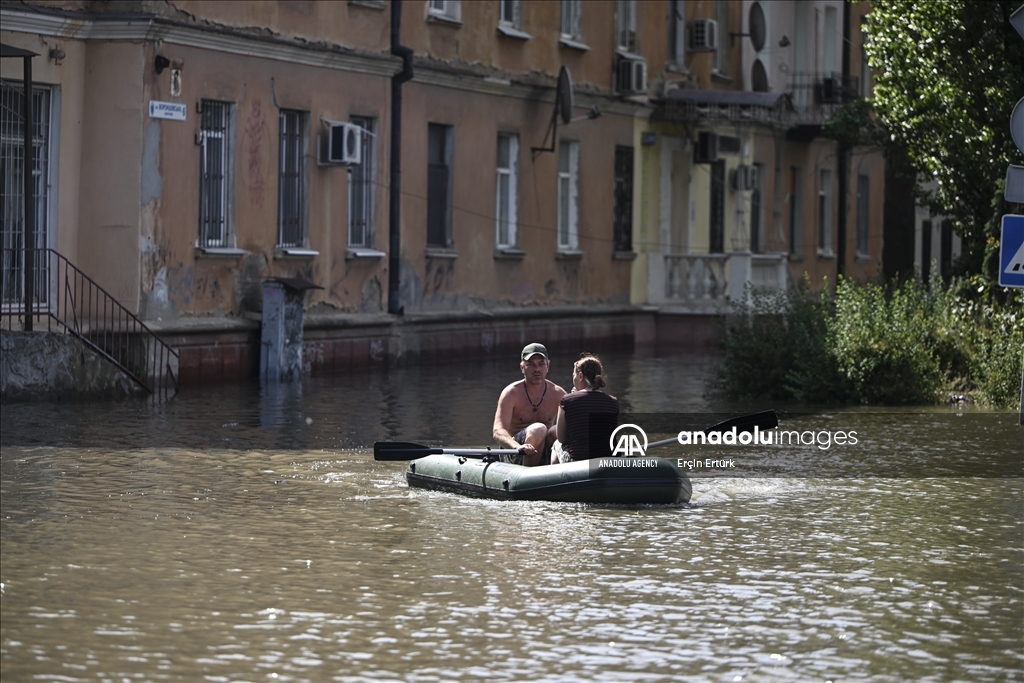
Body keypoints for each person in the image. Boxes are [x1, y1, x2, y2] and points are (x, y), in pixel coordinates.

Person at [492, 343, 567, 466]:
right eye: (531, 364)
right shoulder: (511, 393)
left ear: (548, 366)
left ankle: (560, 472)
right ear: (522, 367)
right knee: (538, 429)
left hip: (545, 452)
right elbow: (498, 431)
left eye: (541, 364)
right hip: (515, 453)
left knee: (555, 431)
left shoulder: (559, 394)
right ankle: (527, 476)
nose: (536, 369)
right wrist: (517, 447)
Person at [550, 354, 619, 464]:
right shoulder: (613, 401)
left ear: (580, 376)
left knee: (556, 445)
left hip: (578, 461)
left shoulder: (567, 400)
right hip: (608, 459)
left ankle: (555, 479)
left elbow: (562, 438)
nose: (573, 378)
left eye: (574, 375)